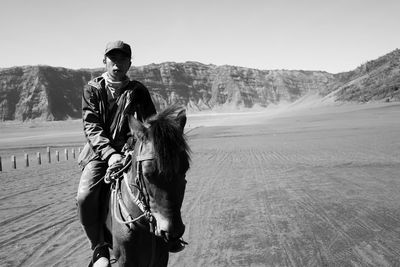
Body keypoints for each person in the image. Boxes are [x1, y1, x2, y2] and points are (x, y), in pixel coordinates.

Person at [76, 40, 156, 267]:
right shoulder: (92, 89)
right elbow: (92, 126)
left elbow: (150, 123)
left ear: (130, 63)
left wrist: (137, 146)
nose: (117, 64)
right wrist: (111, 154)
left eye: (122, 60)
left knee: (162, 179)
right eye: (113, 59)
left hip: (132, 151)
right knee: (84, 197)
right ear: (104, 61)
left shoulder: (138, 91)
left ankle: (168, 231)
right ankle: (99, 247)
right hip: (100, 154)